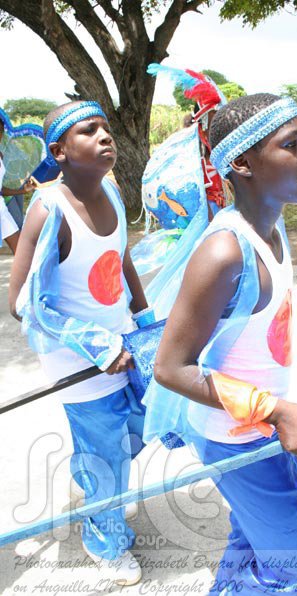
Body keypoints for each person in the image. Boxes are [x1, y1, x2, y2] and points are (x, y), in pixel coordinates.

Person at [143, 93, 297, 594]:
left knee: (256, 537)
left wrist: (279, 413)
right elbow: (170, 367)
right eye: (291, 144)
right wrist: (277, 411)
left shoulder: (272, 228)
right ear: (242, 163)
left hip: (261, 425)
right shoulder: (225, 252)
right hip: (232, 435)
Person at [9, 100, 150, 586]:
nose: (104, 136)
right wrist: (96, 345)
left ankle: (96, 483)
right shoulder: (49, 210)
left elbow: (121, 259)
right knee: (106, 450)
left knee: (141, 424)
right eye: (88, 131)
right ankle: (103, 538)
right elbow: (24, 303)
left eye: (105, 127)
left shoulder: (111, 189)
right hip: (77, 360)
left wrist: (145, 319)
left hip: (123, 344)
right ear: (59, 152)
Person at [0, 117, 36, 230]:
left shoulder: (6, 146)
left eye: (1, 131)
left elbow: (21, 162)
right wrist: (22, 191)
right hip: (6, 196)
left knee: (19, 224)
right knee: (18, 225)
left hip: (13, 187)